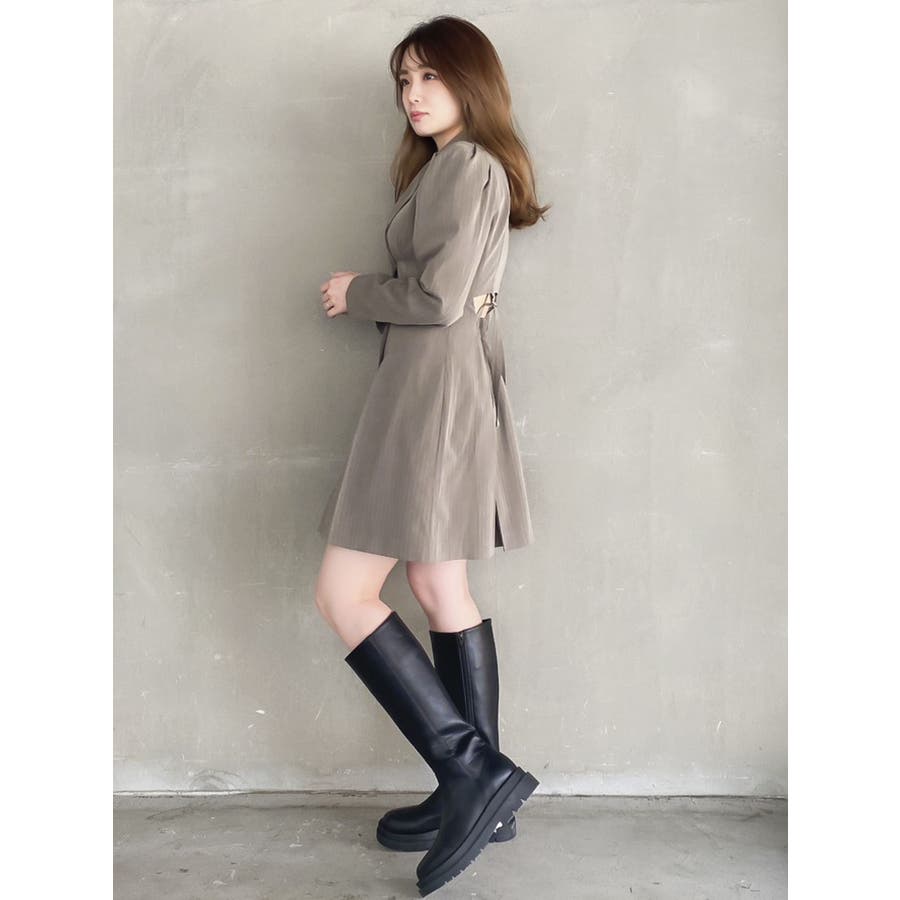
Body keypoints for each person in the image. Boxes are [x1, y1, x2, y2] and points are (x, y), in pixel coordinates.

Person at [314, 15, 550, 897]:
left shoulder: (462, 166)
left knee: (344, 593)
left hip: (427, 395)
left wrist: (357, 291)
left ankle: (475, 775)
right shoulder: (470, 167)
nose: (412, 94)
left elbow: (441, 296)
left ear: (469, 82)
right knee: (439, 584)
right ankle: (479, 793)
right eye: (404, 80)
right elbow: (463, 298)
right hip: (449, 389)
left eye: (430, 77)